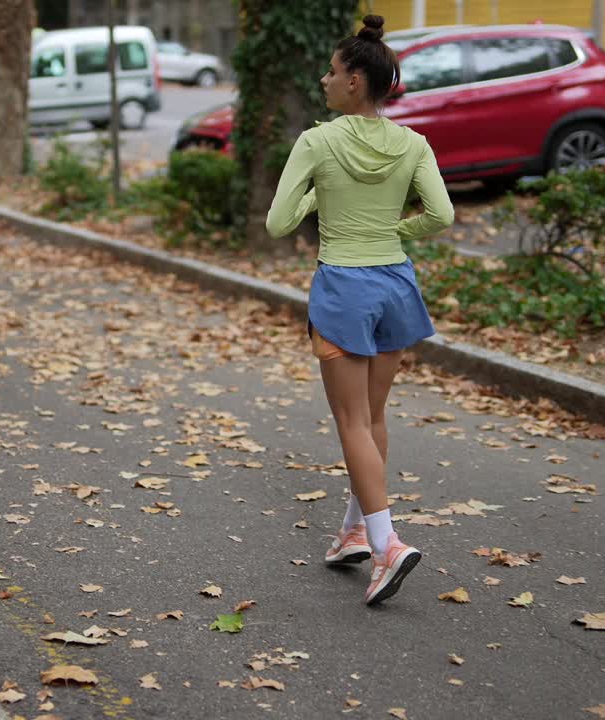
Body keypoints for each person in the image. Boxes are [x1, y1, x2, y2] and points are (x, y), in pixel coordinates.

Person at [266, 14, 454, 606]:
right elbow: (442, 216)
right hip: (395, 282)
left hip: (343, 287)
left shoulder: (317, 142)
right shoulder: (413, 144)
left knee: (351, 423)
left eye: (332, 70)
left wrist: (320, 194)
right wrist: (394, 227)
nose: (324, 78)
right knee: (371, 420)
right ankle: (352, 532)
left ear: (354, 82)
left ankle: (386, 544)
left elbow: (277, 222)